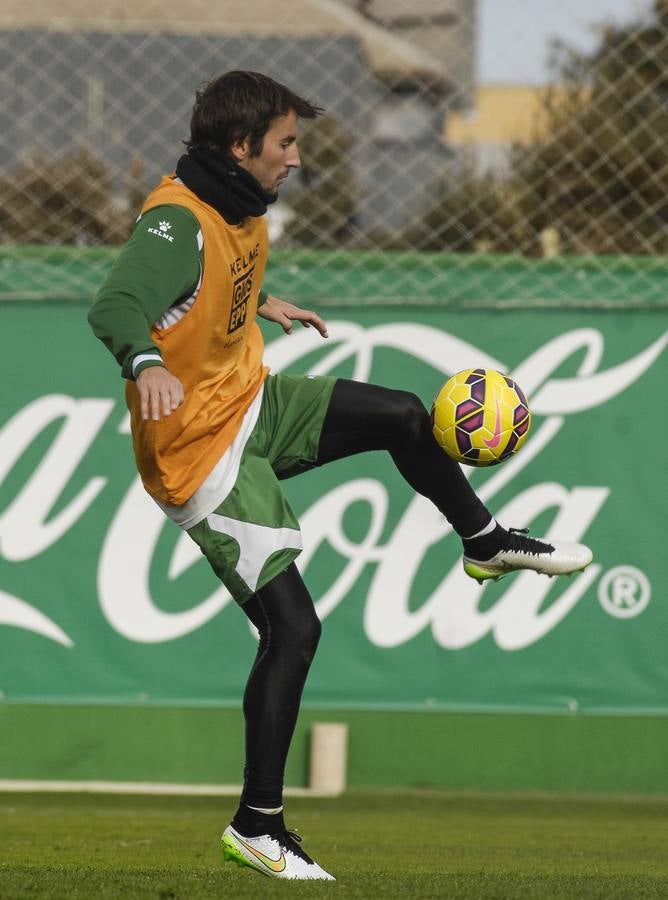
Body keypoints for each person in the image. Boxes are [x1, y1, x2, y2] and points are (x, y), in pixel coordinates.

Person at [88, 70, 592, 882]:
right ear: (240, 146)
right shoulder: (177, 220)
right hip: (201, 454)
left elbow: (204, 292)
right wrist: (144, 360)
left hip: (249, 401)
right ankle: (258, 825)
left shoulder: (234, 208)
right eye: (285, 144)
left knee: (400, 414)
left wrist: (258, 305)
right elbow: (115, 305)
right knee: (295, 630)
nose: (295, 159)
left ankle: (486, 541)